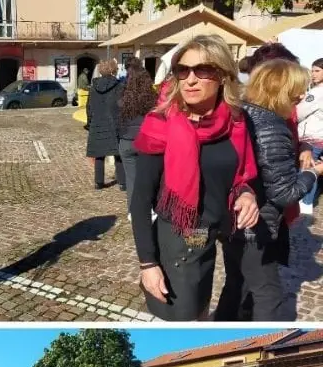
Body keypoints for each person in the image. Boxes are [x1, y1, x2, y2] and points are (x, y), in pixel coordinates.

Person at [131, 34, 260, 321]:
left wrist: (247, 194)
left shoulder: (237, 121)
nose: (190, 79)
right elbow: (139, 202)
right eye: (183, 70)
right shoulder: (160, 124)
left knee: (201, 309)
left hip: (215, 233)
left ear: (223, 76)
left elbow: (242, 175)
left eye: (203, 70)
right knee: (183, 317)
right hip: (177, 237)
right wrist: (148, 264)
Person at [215, 58, 321, 321]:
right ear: (280, 90)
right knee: (269, 295)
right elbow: (284, 193)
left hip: (232, 220)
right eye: (297, 88)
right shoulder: (272, 126)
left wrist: (302, 148)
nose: (302, 95)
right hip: (255, 225)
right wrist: (312, 172)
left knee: (236, 283)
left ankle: (225, 321)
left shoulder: (245, 113)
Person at [118, 61, 156, 206]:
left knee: (131, 178)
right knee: (149, 178)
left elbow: (116, 120)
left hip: (127, 141)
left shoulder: (122, 99)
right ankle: (149, 208)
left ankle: (132, 212)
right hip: (146, 141)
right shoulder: (153, 100)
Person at [87, 59, 123, 190]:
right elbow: (121, 105)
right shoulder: (119, 86)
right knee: (118, 154)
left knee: (99, 155)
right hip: (114, 122)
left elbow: (89, 107)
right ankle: (122, 182)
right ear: (114, 70)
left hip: (97, 123)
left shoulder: (93, 88)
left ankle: (98, 182)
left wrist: (90, 122)